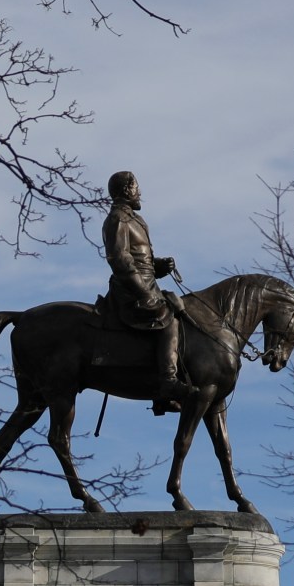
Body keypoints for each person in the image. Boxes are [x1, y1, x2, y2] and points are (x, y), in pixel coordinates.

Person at [98, 170, 194, 412]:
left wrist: (159, 266)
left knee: (178, 309)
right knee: (168, 317)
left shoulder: (135, 220)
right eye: (137, 187)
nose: (140, 192)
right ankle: (168, 383)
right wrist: (143, 292)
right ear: (128, 189)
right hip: (130, 291)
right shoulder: (118, 219)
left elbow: (140, 261)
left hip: (147, 285)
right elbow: (120, 260)